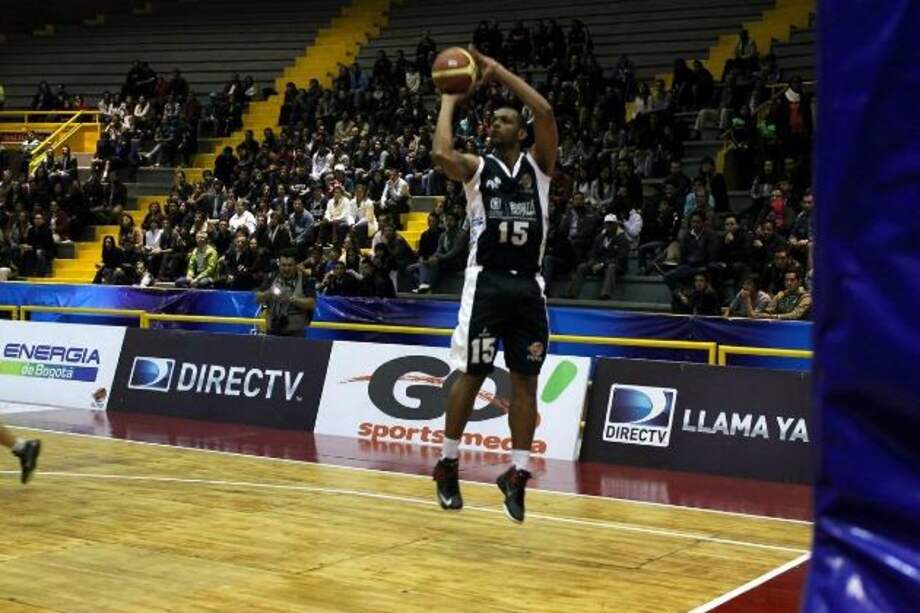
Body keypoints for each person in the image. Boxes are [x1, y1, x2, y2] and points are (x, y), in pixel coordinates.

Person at [430, 46, 557, 523]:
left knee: (526, 380)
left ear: (520, 132)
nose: (495, 126)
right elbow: (442, 151)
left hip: (528, 286)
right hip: (485, 284)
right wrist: (450, 94)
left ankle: (517, 474)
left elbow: (544, 110)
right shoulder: (477, 169)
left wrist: (500, 72)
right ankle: (447, 462)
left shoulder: (540, 169)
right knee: (474, 373)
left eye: (505, 120)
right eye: (493, 121)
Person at [255, 249, 316, 337]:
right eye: (283, 265)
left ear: (296, 265)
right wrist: (269, 293)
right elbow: (257, 298)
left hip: (296, 332)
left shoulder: (306, 280)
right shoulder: (271, 277)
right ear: (279, 264)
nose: (286, 269)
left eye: (290, 265)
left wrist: (292, 299)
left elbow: (311, 304)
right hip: (272, 329)